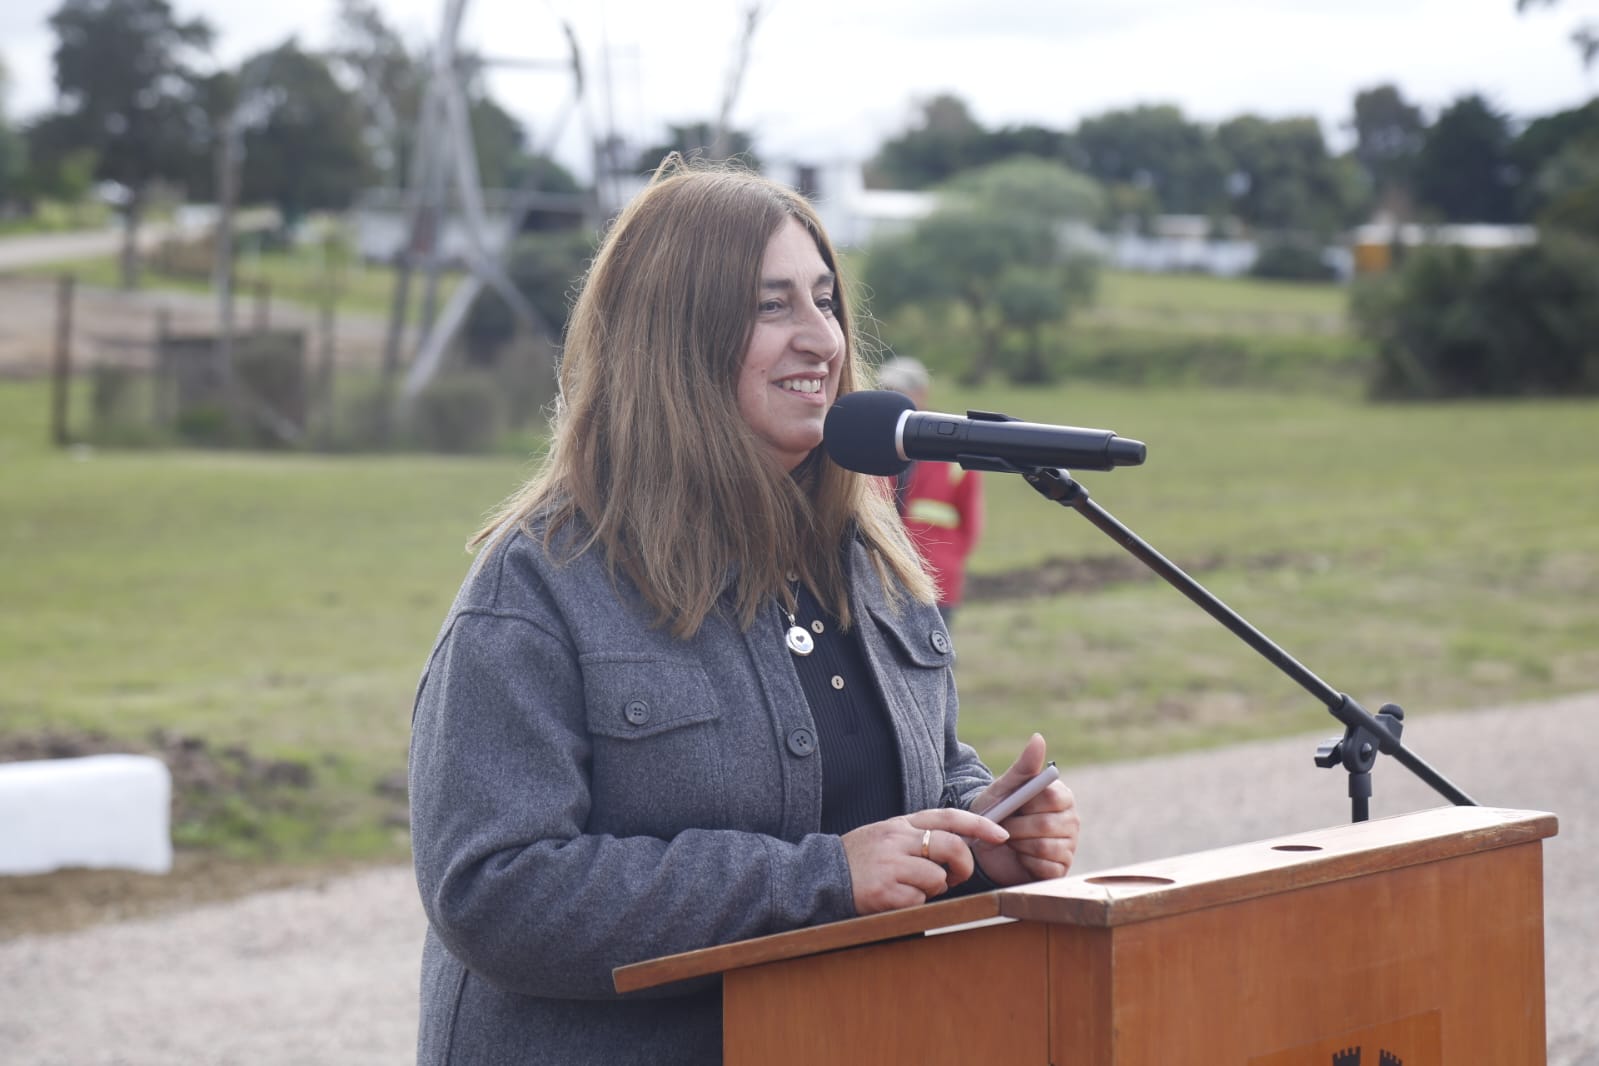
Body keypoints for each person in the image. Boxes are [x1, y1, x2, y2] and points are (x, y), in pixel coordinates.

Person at [407, 157, 1080, 1066]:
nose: (822, 340)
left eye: (825, 300)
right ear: (673, 338)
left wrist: (975, 830)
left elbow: (889, 772)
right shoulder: (539, 586)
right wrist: (822, 879)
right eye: (772, 307)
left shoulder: (865, 555)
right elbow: (494, 892)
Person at [876, 356, 984, 626]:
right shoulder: (873, 447)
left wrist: (947, 562)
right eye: (885, 393)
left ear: (921, 394)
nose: (891, 400)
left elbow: (970, 525)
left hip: (934, 581)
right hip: (881, 581)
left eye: (898, 393)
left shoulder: (952, 450)